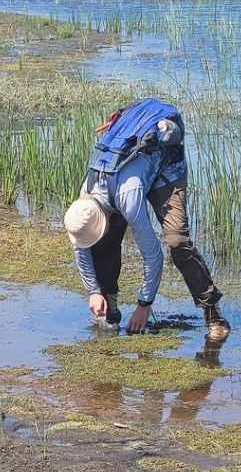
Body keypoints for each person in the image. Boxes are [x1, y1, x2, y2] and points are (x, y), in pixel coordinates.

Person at [63, 99, 230, 341]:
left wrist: (144, 304)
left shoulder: (127, 200)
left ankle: (213, 313)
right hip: (127, 181)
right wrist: (93, 291)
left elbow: (153, 255)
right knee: (102, 241)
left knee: (177, 242)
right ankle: (108, 307)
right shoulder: (86, 194)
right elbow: (82, 248)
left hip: (166, 172)